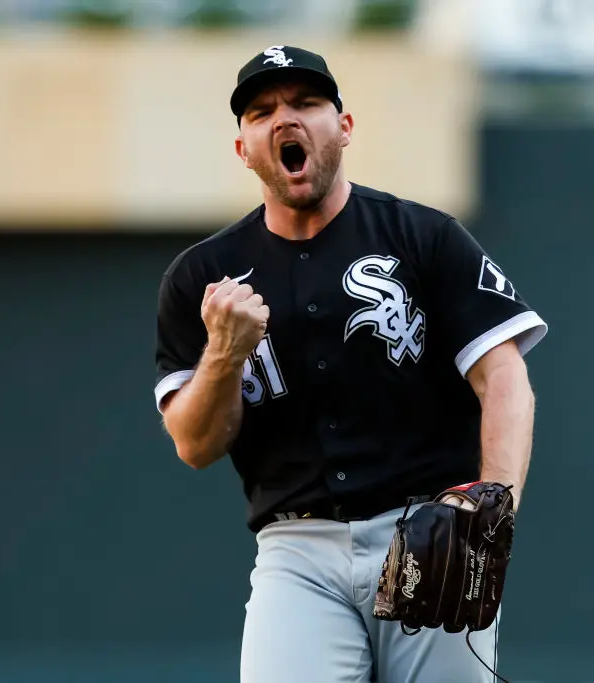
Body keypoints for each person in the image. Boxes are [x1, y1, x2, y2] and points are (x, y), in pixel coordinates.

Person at [154, 45, 548, 683]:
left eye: (307, 103)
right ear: (242, 148)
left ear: (344, 126)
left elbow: (503, 375)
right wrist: (224, 353)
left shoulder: (423, 236)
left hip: (428, 531)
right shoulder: (201, 278)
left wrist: (488, 506)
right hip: (296, 552)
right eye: (262, 111)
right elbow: (194, 445)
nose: (286, 119)